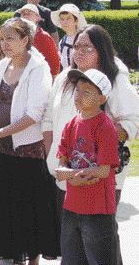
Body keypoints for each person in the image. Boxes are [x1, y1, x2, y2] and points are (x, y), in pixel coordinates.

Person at [42, 24, 139, 265]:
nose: (79, 51)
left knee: (100, 240)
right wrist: (54, 157)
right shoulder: (65, 78)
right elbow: (48, 121)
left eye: (87, 47)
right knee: (73, 241)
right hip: (65, 174)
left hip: (100, 178)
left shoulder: (115, 80)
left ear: (102, 51)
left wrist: (98, 141)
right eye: (76, 46)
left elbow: (133, 119)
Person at [0, 17, 59, 265]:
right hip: (0, 149)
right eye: (2, 38)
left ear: (25, 40)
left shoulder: (38, 68)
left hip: (26, 152)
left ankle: (30, 260)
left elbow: (33, 115)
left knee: (26, 209)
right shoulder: (2, 65)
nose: (5, 44)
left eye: (10, 38)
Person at [56, 69, 119, 265]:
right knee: (71, 260)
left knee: (99, 260)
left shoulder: (105, 127)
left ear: (102, 98)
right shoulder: (70, 125)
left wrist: (71, 175)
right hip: (72, 207)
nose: (79, 96)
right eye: (77, 91)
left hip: (98, 209)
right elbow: (59, 170)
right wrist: (73, 176)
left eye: (87, 92)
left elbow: (103, 170)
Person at [17, 3, 60, 77]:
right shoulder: (18, 37)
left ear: (38, 17)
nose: (26, 15)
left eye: (29, 13)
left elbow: (55, 67)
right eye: (23, 14)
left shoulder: (44, 37)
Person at [50, 3, 87, 69]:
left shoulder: (83, 39)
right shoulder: (62, 41)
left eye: (68, 18)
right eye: (62, 19)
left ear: (76, 21)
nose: (65, 22)